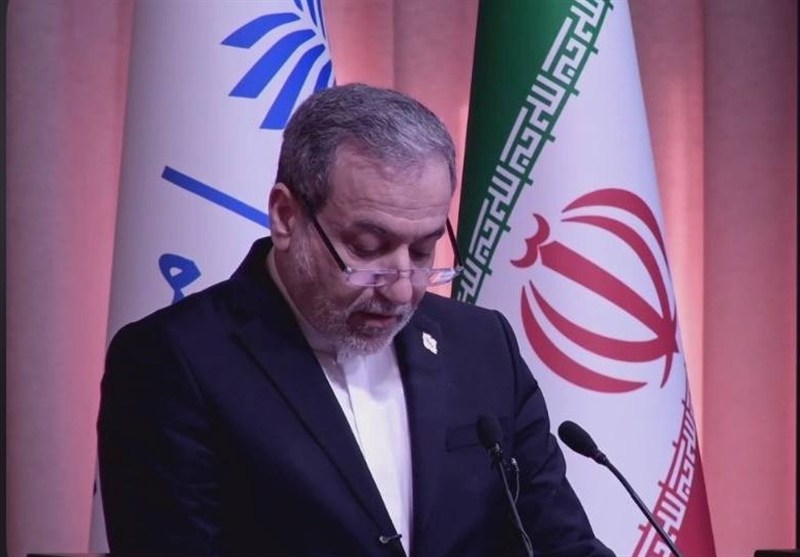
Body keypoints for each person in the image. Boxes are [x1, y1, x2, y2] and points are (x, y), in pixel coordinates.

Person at [98, 83, 614, 557]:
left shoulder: (481, 345)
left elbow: (560, 543)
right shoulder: (173, 362)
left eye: (423, 250)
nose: (402, 289)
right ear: (286, 217)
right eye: (368, 248)